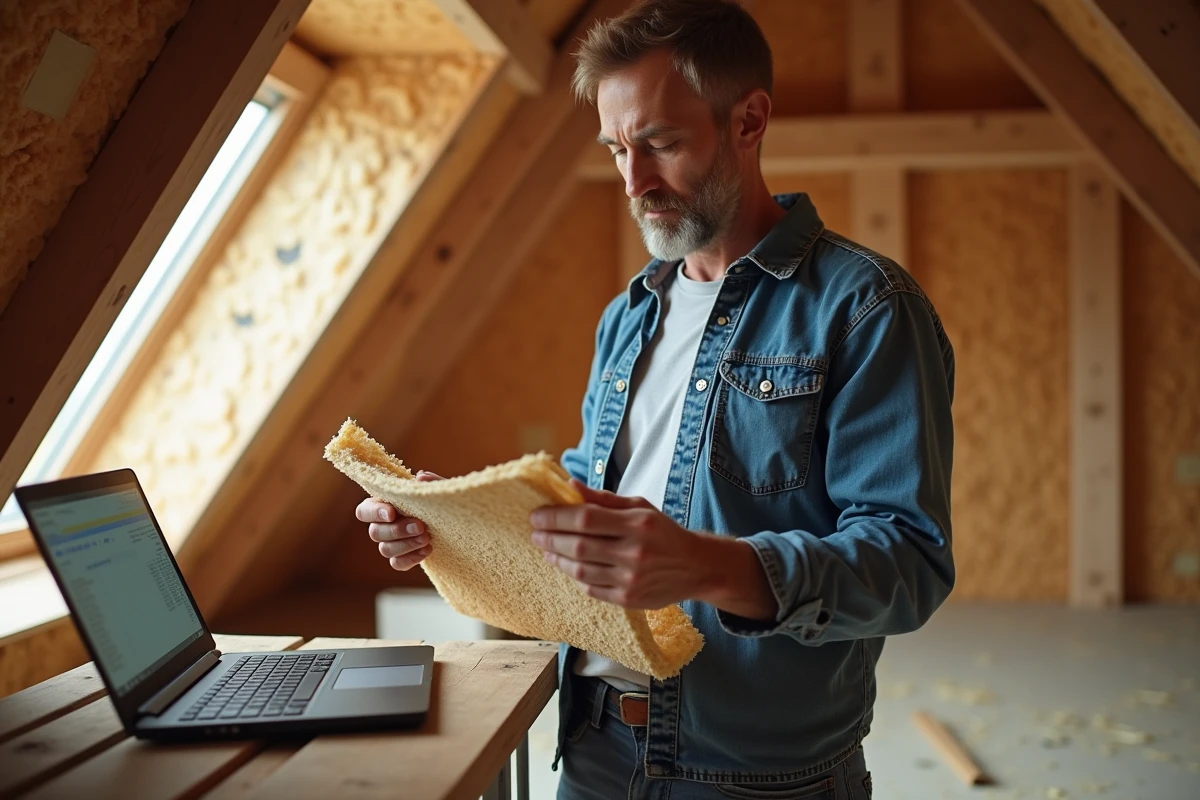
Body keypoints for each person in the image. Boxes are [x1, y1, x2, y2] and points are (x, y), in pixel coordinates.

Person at [355, 1, 956, 797]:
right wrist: (454, 524)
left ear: (749, 120)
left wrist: (704, 565)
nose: (634, 182)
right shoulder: (628, 315)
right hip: (592, 744)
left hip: (758, 773)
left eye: (661, 144)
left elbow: (907, 565)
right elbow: (586, 512)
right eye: (616, 150)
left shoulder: (866, 307)